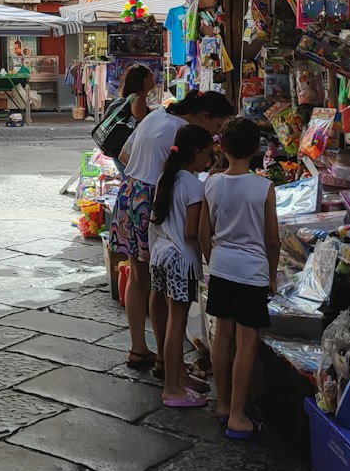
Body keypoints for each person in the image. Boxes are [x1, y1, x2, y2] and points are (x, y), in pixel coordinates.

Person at [111, 89, 233, 372]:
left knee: (140, 276)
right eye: (216, 128)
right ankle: (168, 359)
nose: (214, 137)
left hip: (131, 191)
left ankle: (139, 348)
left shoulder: (158, 114)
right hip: (152, 197)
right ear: (204, 116)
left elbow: (126, 153)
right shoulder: (181, 130)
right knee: (162, 284)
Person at [198, 115, 280, 440]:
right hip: (252, 271)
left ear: (223, 147)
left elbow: (204, 233)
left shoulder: (212, 183)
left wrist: (212, 260)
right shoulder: (264, 188)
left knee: (222, 336)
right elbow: (272, 240)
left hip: (221, 267)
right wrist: (272, 274)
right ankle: (237, 415)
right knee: (247, 341)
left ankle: (222, 404)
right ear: (257, 148)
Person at [149, 124, 215, 407]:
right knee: (177, 323)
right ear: (196, 153)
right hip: (180, 259)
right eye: (208, 155)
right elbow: (192, 231)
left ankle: (177, 376)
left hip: (161, 254)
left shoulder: (168, 177)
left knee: (172, 321)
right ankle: (172, 388)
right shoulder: (194, 186)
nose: (209, 161)